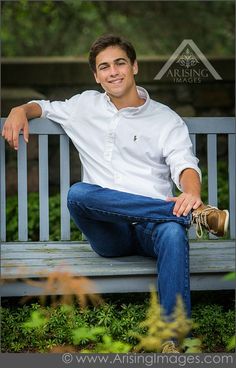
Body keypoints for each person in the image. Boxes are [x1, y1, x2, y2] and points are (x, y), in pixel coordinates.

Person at [2, 34, 229, 353]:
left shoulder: (165, 119)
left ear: (134, 66)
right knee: (79, 194)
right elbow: (43, 107)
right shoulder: (83, 106)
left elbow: (184, 164)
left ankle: (172, 339)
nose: (113, 72)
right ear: (96, 76)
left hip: (154, 230)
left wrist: (190, 192)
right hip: (110, 234)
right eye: (104, 67)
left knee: (173, 234)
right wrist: (19, 109)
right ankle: (195, 216)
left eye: (120, 63)